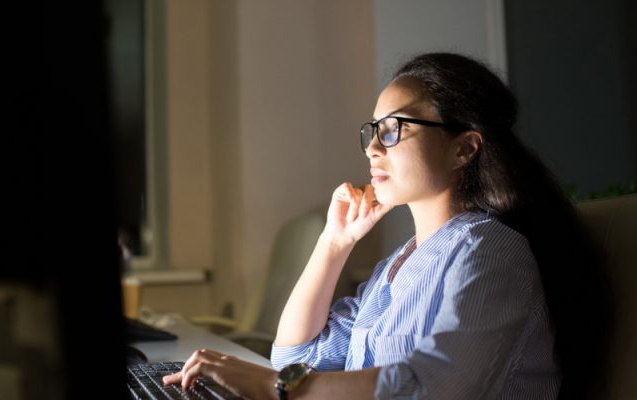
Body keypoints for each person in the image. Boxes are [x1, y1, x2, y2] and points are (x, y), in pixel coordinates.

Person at [162, 52, 611, 399]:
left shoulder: (489, 250)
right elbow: (295, 356)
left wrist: (272, 387)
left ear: (464, 149)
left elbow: (436, 387)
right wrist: (333, 244)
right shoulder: (397, 265)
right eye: (372, 130)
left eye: (394, 129)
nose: (373, 147)